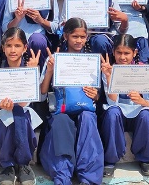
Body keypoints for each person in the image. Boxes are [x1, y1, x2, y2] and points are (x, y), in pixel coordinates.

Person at [39, 18, 104, 185]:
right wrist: (50, 71)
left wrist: (95, 95)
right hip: (62, 111)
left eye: (83, 37)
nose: (79, 41)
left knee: (88, 118)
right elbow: (42, 92)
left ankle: (88, 178)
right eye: (75, 36)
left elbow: (98, 95)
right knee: (61, 121)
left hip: (85, 109)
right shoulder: (55, 58)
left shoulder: (92, 60)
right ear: (66, 36)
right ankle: (62, 176)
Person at [0, 27, 41, 185]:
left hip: (23, 114)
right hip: (1, 113)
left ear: (25, 48)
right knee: (7, 118)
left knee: (19, 115)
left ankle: (23, 164)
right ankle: (8, 166)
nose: (12, 50)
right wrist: (3, 106)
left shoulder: (29, 70)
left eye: (17, 46)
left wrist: (33, 72)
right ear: (3, 48)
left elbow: (28, 101)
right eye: (9, 46)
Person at [99, 34, 149, 177]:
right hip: (118, 112)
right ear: (113, 52)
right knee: (112, 113)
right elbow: (112, 102)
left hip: (137, 111)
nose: (123, 57)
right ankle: (111, 159)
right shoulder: (109, 69)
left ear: (135, 53)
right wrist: (108, 77)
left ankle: (145, 158)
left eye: (127, 53)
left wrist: (142, 101)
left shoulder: (143, 70)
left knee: (146, 113)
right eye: (119, 52)